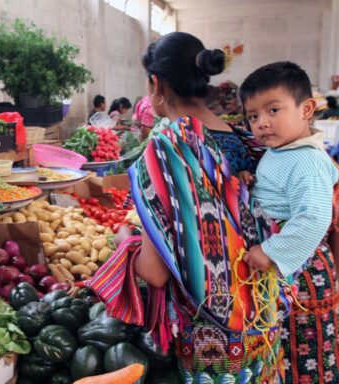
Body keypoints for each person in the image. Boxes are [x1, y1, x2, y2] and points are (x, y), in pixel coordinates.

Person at [87, 32, 286, 382]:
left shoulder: (166, 151)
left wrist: (123, 240)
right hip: (263, 320)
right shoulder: (245, 138)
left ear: (155, 83)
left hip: (212, 342)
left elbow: (154, 272)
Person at [237, 62, 339, 384]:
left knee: (306, 351)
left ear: (306, 108)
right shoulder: (282, 151)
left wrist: (271, 250)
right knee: (288, 346)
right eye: (253, 116)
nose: (262, 123)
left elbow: (313, 216)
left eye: (273, 110)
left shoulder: (308, 162)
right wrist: (250, 182)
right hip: (289, 271)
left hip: (304, 275)